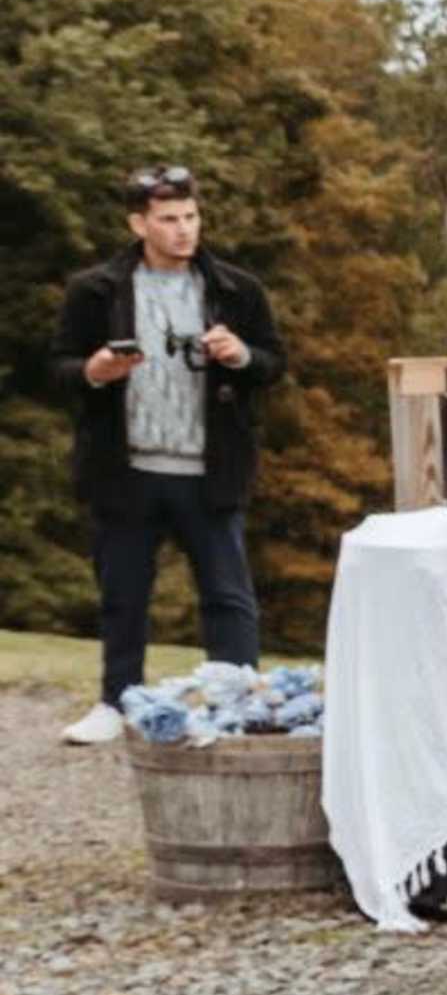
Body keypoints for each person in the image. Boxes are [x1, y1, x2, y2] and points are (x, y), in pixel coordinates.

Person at [47, 168, 284, 745]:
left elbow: (274, 363)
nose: (183, 231)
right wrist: (95, 372)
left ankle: (234, 712)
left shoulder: (236, 289)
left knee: (228, 597)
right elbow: (57, 368)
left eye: (190, 217)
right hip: (125, 467)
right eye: (168, 219)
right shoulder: (95, 289)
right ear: (138, 223)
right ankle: (115, 703)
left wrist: (240, 356)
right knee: (123, 595)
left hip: (210, 467)